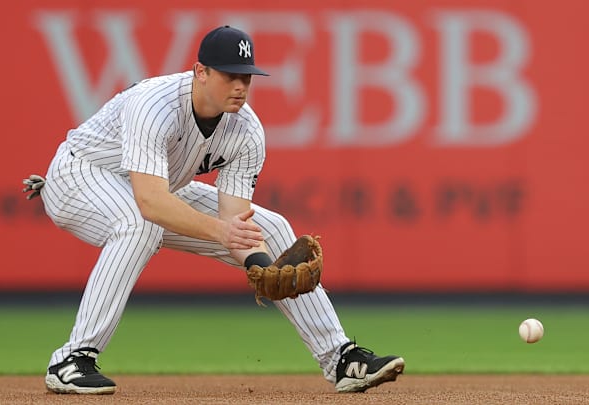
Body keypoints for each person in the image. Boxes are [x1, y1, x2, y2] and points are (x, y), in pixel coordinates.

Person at [23, 25, 405, 395]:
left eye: (247, 77)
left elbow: (234, 221)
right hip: (78, 175)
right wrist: (222, 233)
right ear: (200, 72)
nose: (240, 86)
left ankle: (340, 358)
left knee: (270, 228)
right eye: (229, 75)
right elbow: (151, 202)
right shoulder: (154, 105)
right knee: (140, 224)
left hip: (152, 187)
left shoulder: (246, 130)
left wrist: (260, 263)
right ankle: (72, 359)